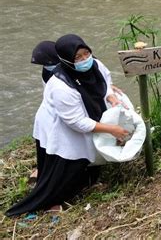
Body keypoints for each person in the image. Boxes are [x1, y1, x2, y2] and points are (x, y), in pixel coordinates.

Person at [6, 34, 129, 216]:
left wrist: (110, 95)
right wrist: (112, 129)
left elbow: (106, 80)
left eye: (86, 53)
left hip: (86, 113)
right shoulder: (60, 85)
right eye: (77, 57)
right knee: (65, 164)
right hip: (59, 124)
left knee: (86, 158)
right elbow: (77, 122)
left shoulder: (95, 64)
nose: (84, 60)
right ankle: (51, 200)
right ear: (66, 60)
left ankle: (85, 182)